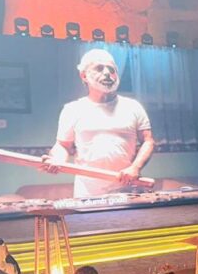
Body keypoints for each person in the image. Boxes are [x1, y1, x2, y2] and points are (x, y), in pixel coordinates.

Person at [41, 49, 154, 198]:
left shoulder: (133, 107)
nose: (107, 73)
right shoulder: (72, 109)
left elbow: (148, 141)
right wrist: (57, 160)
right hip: (87, 192)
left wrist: (135, 168)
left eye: (112, 69)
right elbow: (63, 145)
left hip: (126, 188)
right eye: (99, 68)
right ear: (84, 76)